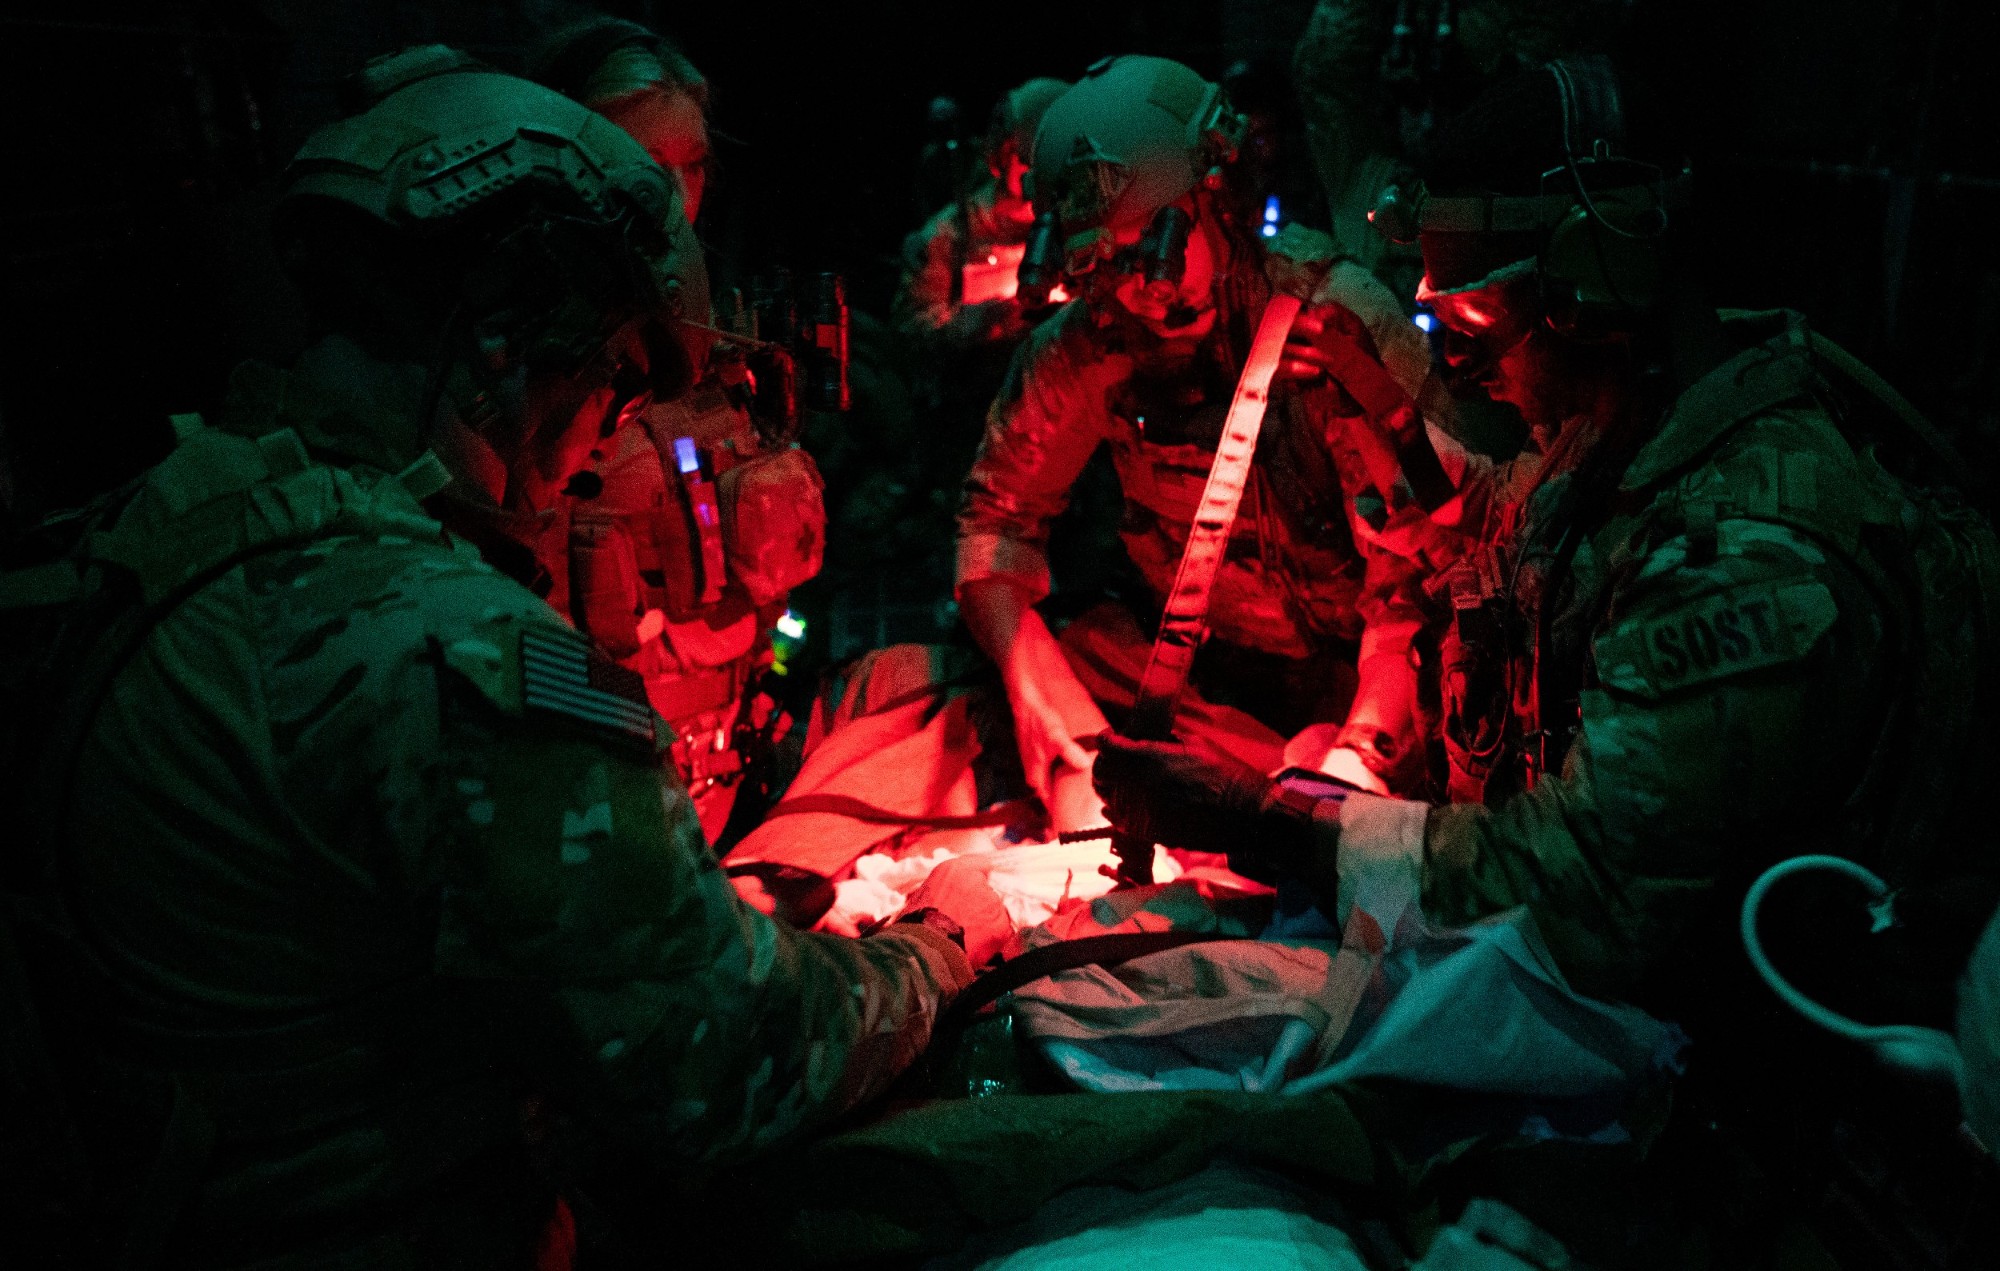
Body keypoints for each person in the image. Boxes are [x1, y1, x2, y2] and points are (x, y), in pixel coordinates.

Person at [0, 49, 1008, 1267]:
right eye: (615, 384)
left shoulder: (168, 522)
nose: (602, 442)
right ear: (500, 347)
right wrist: (934, 947)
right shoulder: (449, 645)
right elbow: (725, 1065)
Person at [1092, 54, 2000, 1024]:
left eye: (1476, 320)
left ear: (1593, 277)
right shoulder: (1624, 431)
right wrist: (1386, 417)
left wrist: (1264, 822)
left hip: (1691, 1039)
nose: (1457, 364)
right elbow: (1494, 545)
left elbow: (1584, 889)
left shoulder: (1745, 552)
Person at [956, 55, 1449, 833]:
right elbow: (994, 527)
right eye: (1106, 265)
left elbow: (1420, 580)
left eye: (1156, 244)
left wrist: (1360, 758)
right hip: (1198, 688)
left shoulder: (1332, 320)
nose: (1141, 290)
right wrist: (1056, 716)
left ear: (1217, 198)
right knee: (967, 691)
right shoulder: (1090, 341)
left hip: (1363, 685)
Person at [529, 17, 827, 845]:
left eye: (691, 167)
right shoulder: (513, 382)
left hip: (733, 790)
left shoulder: (728, 356)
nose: (672, 197)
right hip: (598, 820)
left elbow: (778, 610)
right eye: (641, 166)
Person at [893, 76, 1069, 363]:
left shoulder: (1072, 225)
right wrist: (968, 324)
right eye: (1038, 164)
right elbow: (908, 332)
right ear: (1007, 152)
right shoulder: (950, 234)